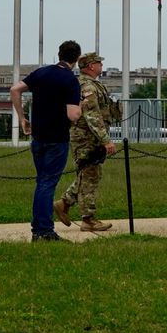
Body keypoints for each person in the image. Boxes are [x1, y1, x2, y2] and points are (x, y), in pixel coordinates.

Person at [11, 40, 83, 243]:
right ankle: (43, 230)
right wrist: (81, 104)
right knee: (47, 183)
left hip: (38, 136)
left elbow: (15, 90)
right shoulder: (70, 80)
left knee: (42, 181)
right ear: (76, 59)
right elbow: (73, 115)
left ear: (59, 54)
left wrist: (22, 117)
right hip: (57, 138)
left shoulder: (41, 73)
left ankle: (39, 228)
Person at [54, 52, 119, 233]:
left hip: (91, 137)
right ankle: (88, 219)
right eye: (99, 63)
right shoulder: (86, 86)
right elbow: (92, 116)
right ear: (91, 66)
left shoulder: (92, 84)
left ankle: (64, 203)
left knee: (91, 174)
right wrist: (106, 140)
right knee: (89, 175)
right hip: (85, 138)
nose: (101, 66)